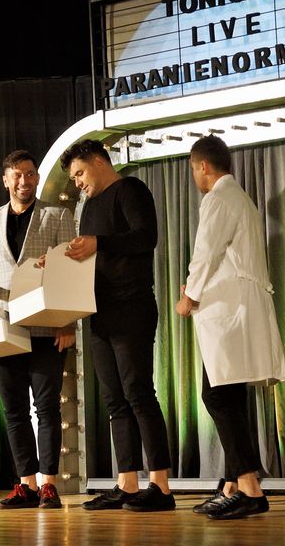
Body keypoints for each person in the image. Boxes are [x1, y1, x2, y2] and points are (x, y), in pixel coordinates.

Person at [59, 139, 175, 512]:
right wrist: (60, 261)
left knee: (138, 392)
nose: (78, 182)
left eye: (79, 173)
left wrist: (99, 243)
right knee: (114, 399)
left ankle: (161, 485)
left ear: (98, 161)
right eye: (74, 178)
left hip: (132, 306)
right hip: (100, 311)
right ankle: (127, 483)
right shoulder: (89, 206)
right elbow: (91, 252)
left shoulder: (130, 190)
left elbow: (145, 237)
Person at [174, 135, 285, 520]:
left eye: (193, 169)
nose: (194, 177)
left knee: (218, 396)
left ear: (203, 166)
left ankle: (250, 488)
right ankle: (232, 486)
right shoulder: (241, 198)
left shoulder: (218, 198)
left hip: (228, 309)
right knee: (230, 395)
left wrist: (189, 296)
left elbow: (206, 251)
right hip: (238, 306)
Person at [0, 149, 76, 509]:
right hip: (5, 327)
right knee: (14, 410)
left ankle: (49, 484)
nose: (24, 180)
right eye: (17, 175)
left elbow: (69, 271)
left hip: (48, 325)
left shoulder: (57, 214)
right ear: (6, 180)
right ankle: (26, 484)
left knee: (46, 407)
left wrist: (68, 321)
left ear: (37, 177)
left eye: (30, 174)